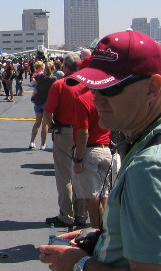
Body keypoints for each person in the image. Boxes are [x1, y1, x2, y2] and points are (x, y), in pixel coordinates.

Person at [40, 30, 161, 271]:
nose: (96, 99)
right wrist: (100, 240)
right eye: (93, 88)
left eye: (109, 89)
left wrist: (80, 266)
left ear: (153, 87)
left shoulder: (148, 166)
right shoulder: (143, 141)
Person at [43, 53, 88, 227]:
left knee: (64, 176)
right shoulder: (87, 84)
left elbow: (48, 112)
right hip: (84, 132)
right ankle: (82, 214)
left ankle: (66, 214)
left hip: (65, 131)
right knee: (81, 174)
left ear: (66, 67)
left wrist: (53, 127)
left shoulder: (60, 84)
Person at [70, 83, 112, 229]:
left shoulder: (83, 99)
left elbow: (83, 132)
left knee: (92, 197)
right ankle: (106, 231)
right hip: (106, 149)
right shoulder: (108, 97)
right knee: (104, 194)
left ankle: (98, 233)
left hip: (90, 151)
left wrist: (78, 159)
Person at [29, 61, 56, 150]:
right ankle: (43, 144)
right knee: (45, 124)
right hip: (47, 102)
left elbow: (32, 81)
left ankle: (32, 141)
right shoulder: (53, 79)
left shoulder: (39, 77)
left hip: (38, 101)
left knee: (37, 122)